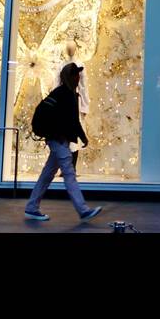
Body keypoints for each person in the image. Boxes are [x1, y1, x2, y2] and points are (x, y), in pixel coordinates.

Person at [24, 63, 102, 222]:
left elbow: (73, 120)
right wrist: (81, 136)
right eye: (76, 74)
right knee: (69, 172)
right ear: (71, 76)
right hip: (58, 139)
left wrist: (82, 137)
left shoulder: (67, 94)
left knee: (47, 174)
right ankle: (83, 210)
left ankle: (32, 207)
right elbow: (72, 120)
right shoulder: (65, 94)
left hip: (58, 139)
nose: (79, 77)